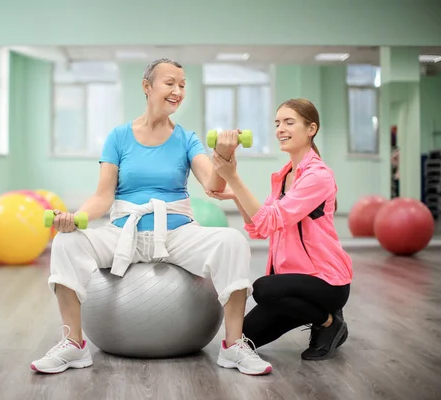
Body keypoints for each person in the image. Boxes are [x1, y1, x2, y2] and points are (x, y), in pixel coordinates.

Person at [30, 58, 272, 376]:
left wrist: (225, 155)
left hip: (177, 233)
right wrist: (75, 219)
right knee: (66, 242)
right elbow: (103, 196)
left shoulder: (187, 138)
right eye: (169, 83)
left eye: (182, 85)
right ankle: (73, 345)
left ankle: (234, 346)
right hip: (122, 231)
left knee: (232, 241)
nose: (177, 91)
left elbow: (213, 186)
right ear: (147, 87)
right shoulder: (118, 137)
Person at [206, 98, 352, 361]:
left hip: (326, 282)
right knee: (242, 338)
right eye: (277, 123)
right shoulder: (284, 175)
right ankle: (314, 315)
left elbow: (271, 218)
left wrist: (234, 178)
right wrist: (235, 195)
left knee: (264, 289)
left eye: (289, 122)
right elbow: (260, 229)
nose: (280, 129)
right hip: (290, 283)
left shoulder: (318, 175)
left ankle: (329, 323)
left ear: (311, 129)